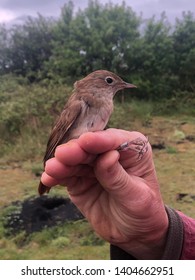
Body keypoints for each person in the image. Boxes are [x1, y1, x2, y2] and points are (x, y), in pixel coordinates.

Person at [40, 128, 195, 260]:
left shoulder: (105, 104)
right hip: (75, 158)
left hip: (85, 162)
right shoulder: (79, 102)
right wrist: (159, 237)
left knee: (95, 149)